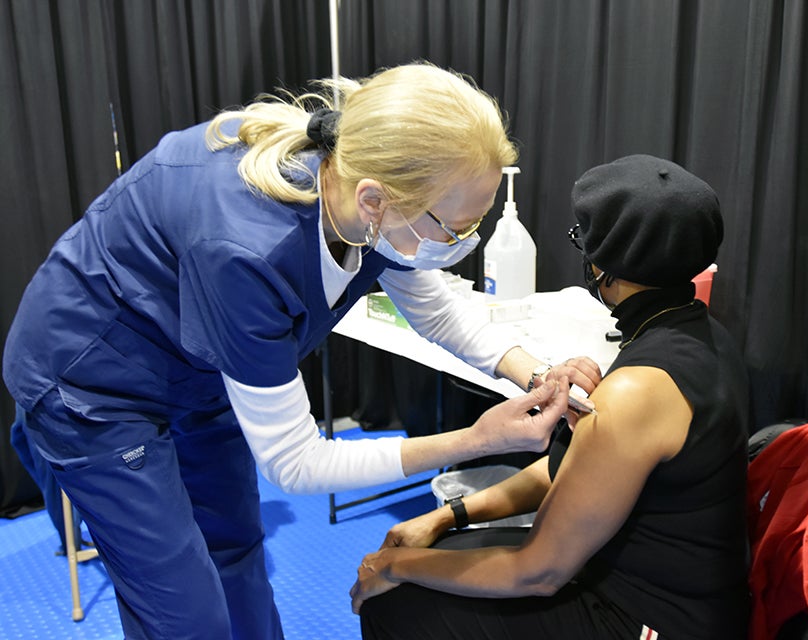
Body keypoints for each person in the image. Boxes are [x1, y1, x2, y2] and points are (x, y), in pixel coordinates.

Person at [2, 62, 601, 639]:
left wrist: (535, 371)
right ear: (375, 201)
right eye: (454, 229)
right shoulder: (246, 248)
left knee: (237, 554)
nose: (461, 245)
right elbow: (296, 464)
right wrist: (477, 441)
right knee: (185, 616)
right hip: (93, 378)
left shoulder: (371, 195)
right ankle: (46, 446)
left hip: (205, 364)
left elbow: (436, 308)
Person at [351, 155, 751, 640]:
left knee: (394, 602)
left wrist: (398, 567)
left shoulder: (638, 388)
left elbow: (538, 573)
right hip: (659, 587)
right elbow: (576, 471)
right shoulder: (700, 334)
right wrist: (446, 515)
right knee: (439, 558)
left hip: (653, 619)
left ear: (604, 262)